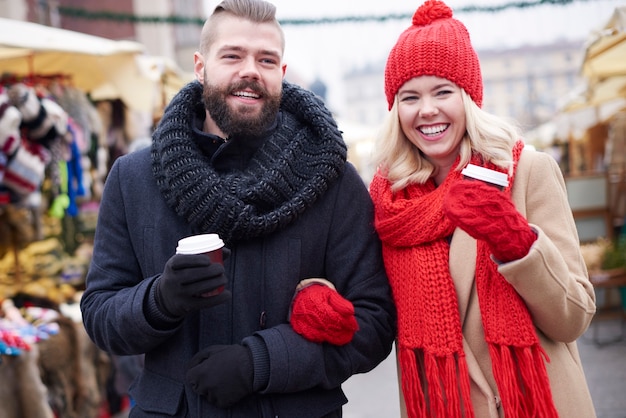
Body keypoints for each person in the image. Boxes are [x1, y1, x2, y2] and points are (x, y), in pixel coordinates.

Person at [79, 0, 396, 416]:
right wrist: (160, 299)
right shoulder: (134, 178)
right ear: (200, 66)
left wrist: (261, 362)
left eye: (266, 59)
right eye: (232, 55)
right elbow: (100, 315)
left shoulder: (332, 180)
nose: (250, 70)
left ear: (280, 75)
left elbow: (373, 323)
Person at [368, 1, 597, 417]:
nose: (427, 110)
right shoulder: (388, 203)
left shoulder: (525, 171)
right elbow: (368, 299)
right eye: (409, 96)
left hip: (536, 403)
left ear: (469, 97)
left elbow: (575, 317)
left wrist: (518, 245)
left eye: (443, 91)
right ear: (394, 108)